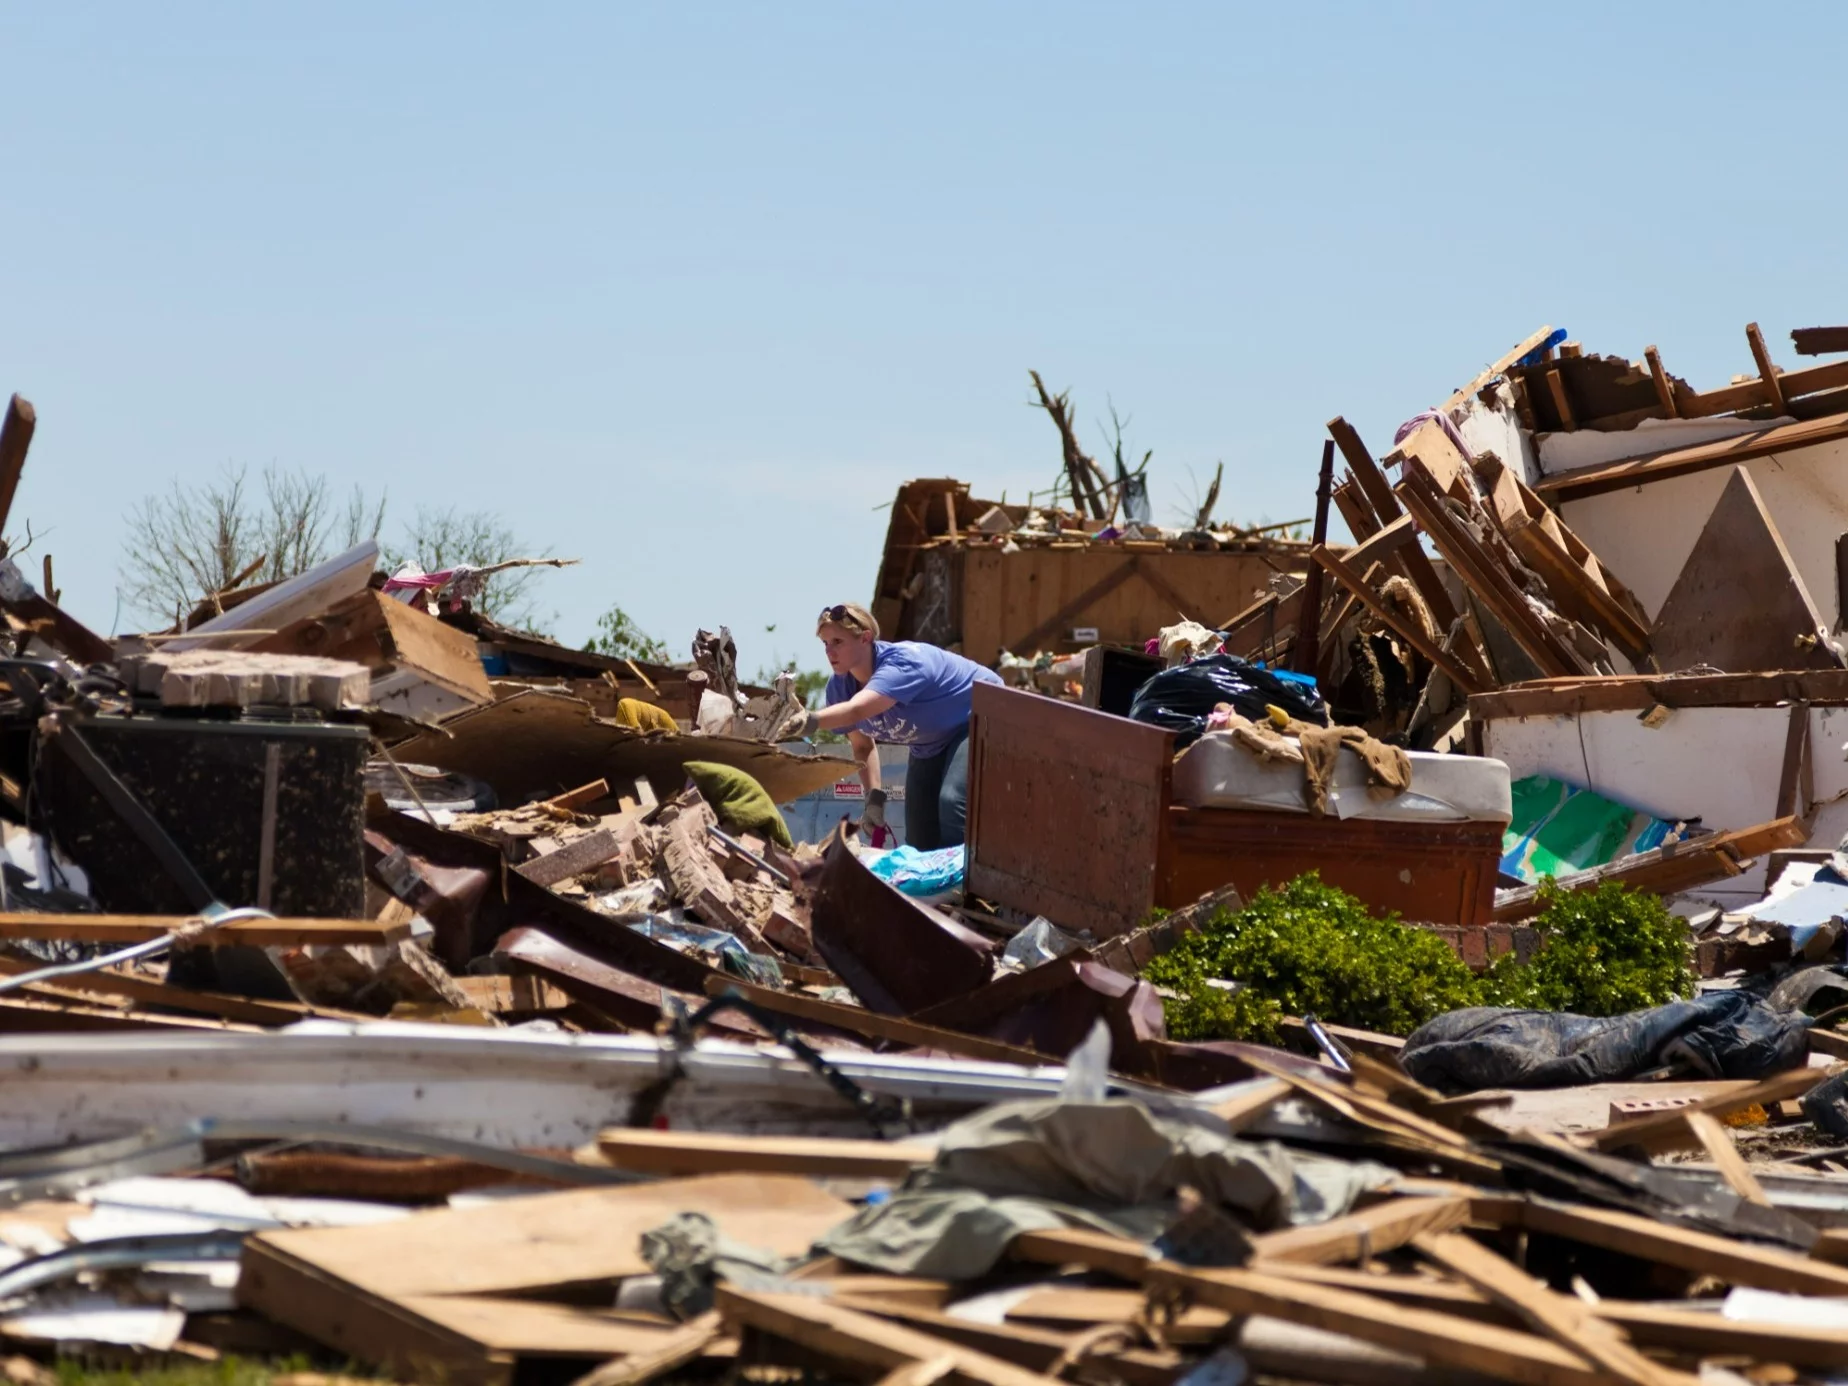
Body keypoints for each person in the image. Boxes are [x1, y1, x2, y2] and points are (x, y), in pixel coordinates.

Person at [779, 602, 1002, 850]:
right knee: (919, 838)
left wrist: (807, 721)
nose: (829, 652)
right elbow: (862, 746)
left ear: (865, 638)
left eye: (838, 642)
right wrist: (873, 799)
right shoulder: (838, 689)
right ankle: (932, 888)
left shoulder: (903, 663)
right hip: (929, 742)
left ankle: (965, 883)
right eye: (825, 644)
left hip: (981, 715)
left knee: (952, 802)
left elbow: (857, 710)